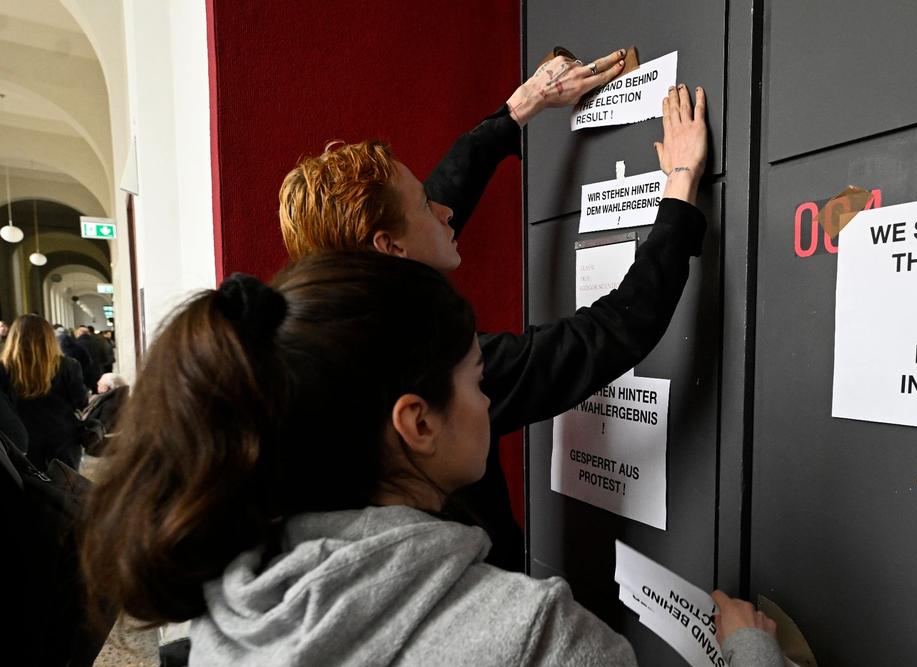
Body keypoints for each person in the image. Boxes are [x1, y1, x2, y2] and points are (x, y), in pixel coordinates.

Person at [80, 253, 793, 667]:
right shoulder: (523, 638)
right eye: (478, 380)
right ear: (416, 421)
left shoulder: (229, 617)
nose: (489, 402)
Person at [280, 54, 709, 572]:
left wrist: (520, 108)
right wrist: (681, 184)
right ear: (390, 249)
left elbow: (443, 194)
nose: (443, 211)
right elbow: (613, 332)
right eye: (423, 207)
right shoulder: (436, 368)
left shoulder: (336, 337)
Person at [1, 315, 88, 469]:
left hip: (21, 443)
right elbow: (81, 402)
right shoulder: (69, 365)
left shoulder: (4, 369)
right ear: (49, 338)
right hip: (63, 438)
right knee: (65, 487)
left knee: (30, 489)